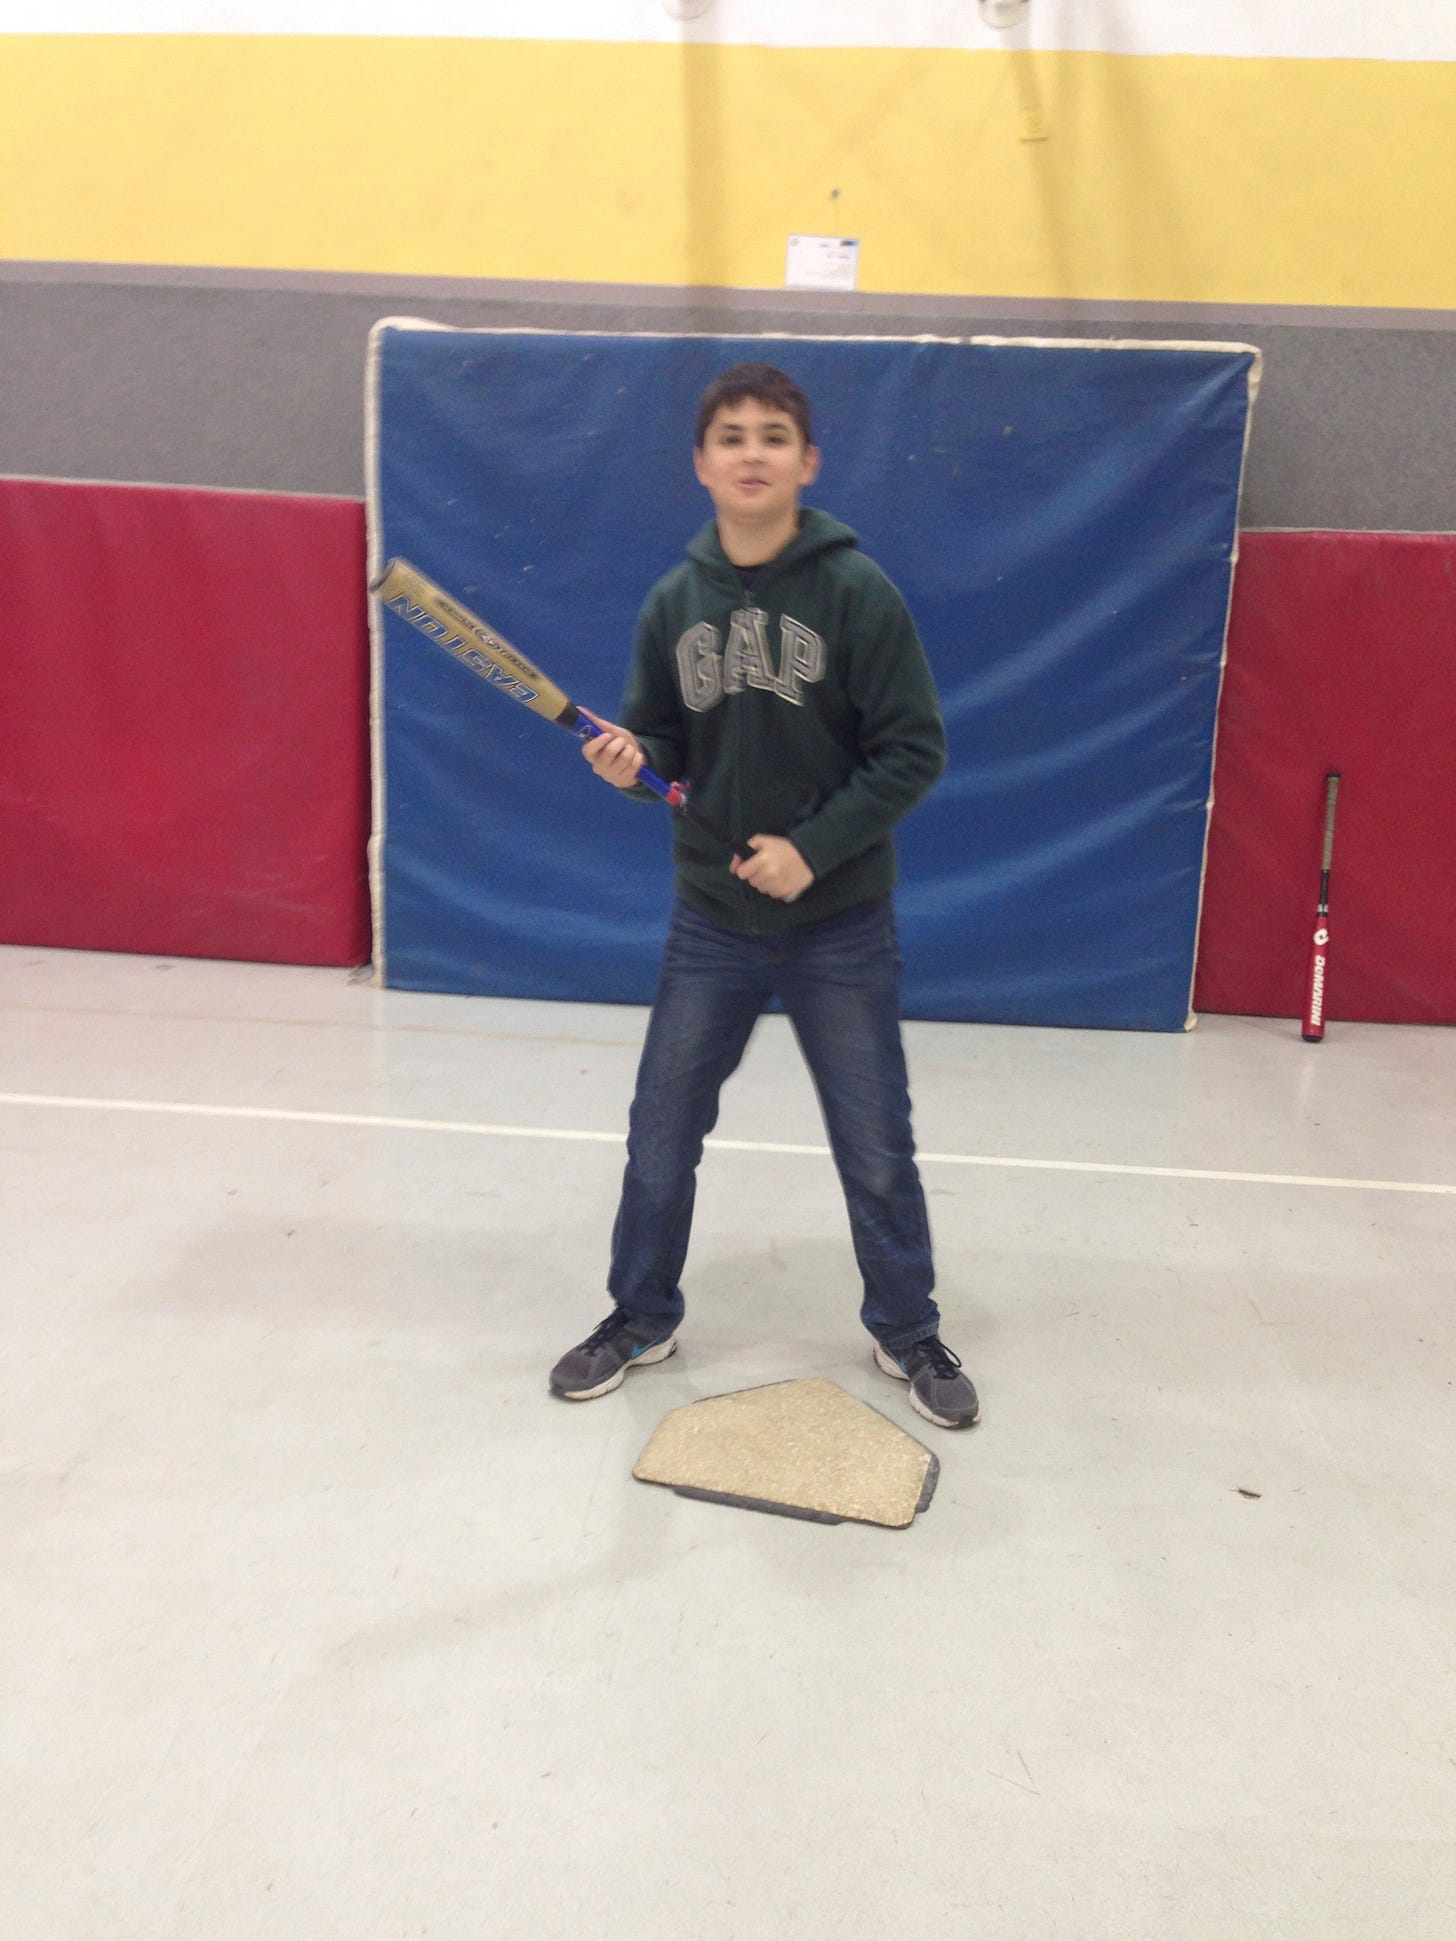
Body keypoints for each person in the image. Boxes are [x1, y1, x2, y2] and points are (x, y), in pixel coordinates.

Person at [547, 363, 979, 1430]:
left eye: (773, 436)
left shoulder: (855, 593)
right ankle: (639, 1316)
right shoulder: (673, 602)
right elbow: (659, 736)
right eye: (730, 436)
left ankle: (906, 1326)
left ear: (807, 463)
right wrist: (628, 756)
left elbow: (911, 750)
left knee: (874, 1141)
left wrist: (812, 849)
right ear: (700, 464)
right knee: (660, 1134)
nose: (751, 452)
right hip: (713, 925)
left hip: (837, 924)